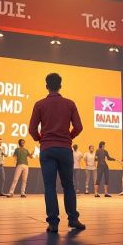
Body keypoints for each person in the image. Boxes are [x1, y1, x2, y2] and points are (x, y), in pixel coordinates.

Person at [29, 73, 85, 233]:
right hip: (65, 149)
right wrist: (69, 137)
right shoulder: (70, 104)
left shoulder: (39, 104)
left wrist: (41, 139)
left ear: (46, 86)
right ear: (60, 86)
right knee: (68, 185)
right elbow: (79, 127)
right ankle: (73, 219)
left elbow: (32, 129)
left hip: (47, 149)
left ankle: (53, 222)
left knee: (49, 186)